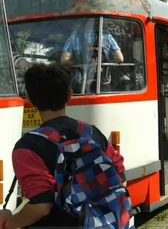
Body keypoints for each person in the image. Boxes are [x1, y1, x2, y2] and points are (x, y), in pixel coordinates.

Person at [0, 63, 131, 228]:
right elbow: (120, 180)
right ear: (69, 96)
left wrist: (7, 222)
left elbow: (41, 206)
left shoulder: (27, 147)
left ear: (31, 100)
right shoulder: (92, 133)